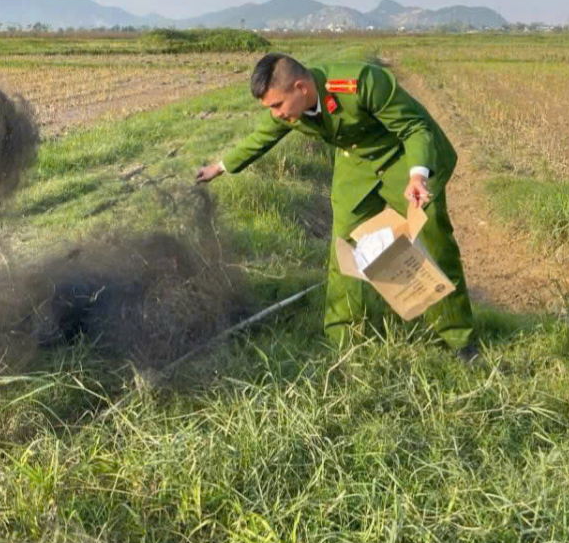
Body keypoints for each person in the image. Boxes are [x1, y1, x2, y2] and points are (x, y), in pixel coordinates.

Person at [197, 54, 478, 359]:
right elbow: (260, 138)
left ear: (301, 87)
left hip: (404, 157)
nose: (275, 114)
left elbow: (415, 129)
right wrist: (220, 167)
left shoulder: (361, 84)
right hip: (356, 163)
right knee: (345, 246)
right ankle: (343, 338)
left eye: (277, 105)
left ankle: (459, 340)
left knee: (433, 243)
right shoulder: (291, 111)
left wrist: (417, 176)